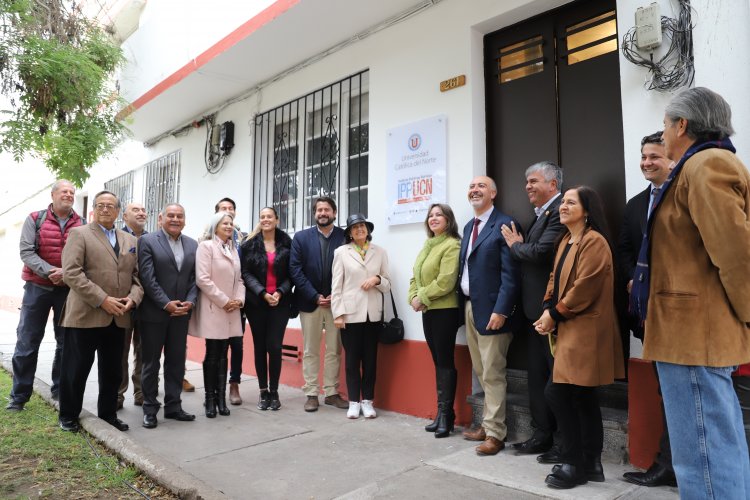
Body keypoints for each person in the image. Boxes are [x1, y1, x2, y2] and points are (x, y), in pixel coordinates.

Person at [631, 87, 750, 498]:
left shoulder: (707, 165)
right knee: (710, 447)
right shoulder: (693, 167)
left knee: (704, 455)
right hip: (688, 335)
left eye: (665, 125)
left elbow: (736, 253)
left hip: (695, 336)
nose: (662, 135)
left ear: (683, 125)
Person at [534, 186, 624, 489]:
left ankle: (574, 462)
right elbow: (553, 278)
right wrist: (547, 306)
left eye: (570, 202)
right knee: (582, 396)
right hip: (567, 325)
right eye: (562, 203)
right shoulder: (565, 240)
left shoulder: (594, 242)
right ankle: (590, 463)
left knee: (557, 393)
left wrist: (554, 314)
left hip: (585, 328)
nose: (563, 206)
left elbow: (585, 287)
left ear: (587, 210)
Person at [617, 133, 676, 488]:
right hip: (648, 313)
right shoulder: (636, 204)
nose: (647, 162)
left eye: (655, 156)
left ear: (671, 160)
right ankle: (667, 462)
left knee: (678, 390)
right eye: (643, 156)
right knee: (664, 389)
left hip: (679, 308)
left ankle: (672, 463)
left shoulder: (682, 194)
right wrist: (631, 279)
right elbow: (625, 248)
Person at [57, 191, 143, 432]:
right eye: (100, 205)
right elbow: (72, 273)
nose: (105, 209)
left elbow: (136, 278)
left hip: (119, 317)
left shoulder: (130, 240)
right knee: (76, 369)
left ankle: (108, 414)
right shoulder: (79, 234)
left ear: (118, 211)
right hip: (85, 314)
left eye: (110, 206)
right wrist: (102, 299)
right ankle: (68, 415)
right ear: (93, 209)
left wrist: (132, 300)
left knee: (113, 372)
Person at [500, 161, 565, 457]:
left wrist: (515, 246)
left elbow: (541, 253)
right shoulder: (541, 215)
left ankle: (564, 442)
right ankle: (542, 435)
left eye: (534, 181)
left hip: (550, 313)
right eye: (526, 181)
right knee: (536, 378)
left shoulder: (561, 210)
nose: (527, 186)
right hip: (532, 312)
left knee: (556, 380)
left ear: (553, 185)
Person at [6, 180, 83, 411]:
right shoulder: (34, 219)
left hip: (67, 291)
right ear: (53, 195)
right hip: (36, 288)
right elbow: (26, 251)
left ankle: (59, 390)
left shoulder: (82, 224)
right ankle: (19, 396)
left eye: (72, 192)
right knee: (27, 342)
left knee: (65, 343)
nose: (68, 195)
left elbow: (85, 256)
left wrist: (66, 274)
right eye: (64, 191)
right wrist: (51, 272)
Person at [458, 176, 521, 456]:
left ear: (494, 193)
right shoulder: (469, 226)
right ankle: (487, 423)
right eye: (472, 186)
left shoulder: (505, 224)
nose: (475, 190)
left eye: (481, 186)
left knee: (493, 372)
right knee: (481, 371)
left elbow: (512, 274)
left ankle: (495, 434)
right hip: (471, 307)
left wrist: (502, 310)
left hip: (494, 310)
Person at [138, 204, 198, 429]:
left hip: (181, 314)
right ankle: (150, 409)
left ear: (184, 220)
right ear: (161, 218)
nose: (175, 219)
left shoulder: (192, 244)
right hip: (155, 313)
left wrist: (190, 302)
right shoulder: (148, 241)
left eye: (179, 216)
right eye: (170, 215)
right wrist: (166, 304)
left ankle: (174, 406)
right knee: (151, 363)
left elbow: (195, 278)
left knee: (176, 362)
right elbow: (147, 278)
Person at [289, 196, 348, 412]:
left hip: (336, 303)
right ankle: (311, 393)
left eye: (327, 210)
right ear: (314, 214)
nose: (323, 213)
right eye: (319, 210)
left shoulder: (344, 237)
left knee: (334, 350)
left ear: (334, 212)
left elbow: (350, 269)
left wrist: (335, 294)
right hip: (309, 302)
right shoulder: (301, 237)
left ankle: (331, 392)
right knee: (310, 350)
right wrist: (315, 295)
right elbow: (295, 270)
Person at [408, 203, 461, 437]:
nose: (434, 218)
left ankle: (447, 415)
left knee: (445, 361)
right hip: (429, 311)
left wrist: (421, 297)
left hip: (445, 311)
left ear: (448, 220)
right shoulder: (427, 246)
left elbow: (446, 281)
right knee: (438, 362)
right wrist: (413, 297)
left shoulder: (452, 245)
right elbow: (415, 277)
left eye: (439, 214)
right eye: (431, 215)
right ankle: (442, 414)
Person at [332, 214, 391, 419]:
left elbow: (387, 284)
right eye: (355, 227)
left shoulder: (380, 252)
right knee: (351, 362)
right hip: (350, 314)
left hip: (373, 315)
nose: (359, 229)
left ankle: (367, 401)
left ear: (368, 229)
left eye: (362, 226)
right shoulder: (341, 252)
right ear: (349, 232)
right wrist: (338, 313)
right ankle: (354, 402)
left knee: (371, 361)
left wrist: (377, 279)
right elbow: (336, 285)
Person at [188, 211, 245, 418]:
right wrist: (224, 300)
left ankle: (222, 399)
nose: (229, 226)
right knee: (212, 353)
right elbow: (202, 279)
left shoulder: (232, 248)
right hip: (214, 307)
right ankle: (210, 400)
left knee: (223, 355)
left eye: (231, 223)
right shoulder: (206, 247)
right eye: (225, 223)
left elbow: (239, 280)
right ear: (215, 226)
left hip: (231, 310)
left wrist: (239, 300)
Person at [240, 207, 293, 411]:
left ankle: (274, 391)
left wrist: (279, 292)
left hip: (281, 302)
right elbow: (246, 273)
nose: (265, 219)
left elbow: (292, 273)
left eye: (269, 216)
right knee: (260, 347)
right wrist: (262, 293)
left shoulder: (288, 243)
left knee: (275, 347)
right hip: (257, 303)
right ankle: (263, 392)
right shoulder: (249, 245)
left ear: (277, 220)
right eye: (262, 217)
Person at [215, 197, 247, 405]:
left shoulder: (244, 238)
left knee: (237, 344)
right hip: (216, 302)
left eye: (231, 209)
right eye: (223, 209)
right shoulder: (205, 238)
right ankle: (215, 387)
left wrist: (239, 298)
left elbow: (246, 271)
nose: (228, 212)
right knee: (217, 347)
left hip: (238, 301)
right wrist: (222, 299)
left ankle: (234, 384)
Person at [118, 202, 147, 409]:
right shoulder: (116, 237)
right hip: (123, 302)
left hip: (148, 304)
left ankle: (142, 392)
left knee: (144, 350)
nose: (141, 213)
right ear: (125, 216)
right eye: (135, 210)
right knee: (121, 351)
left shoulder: (152, 238)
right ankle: (118, 394)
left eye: (143, 210)